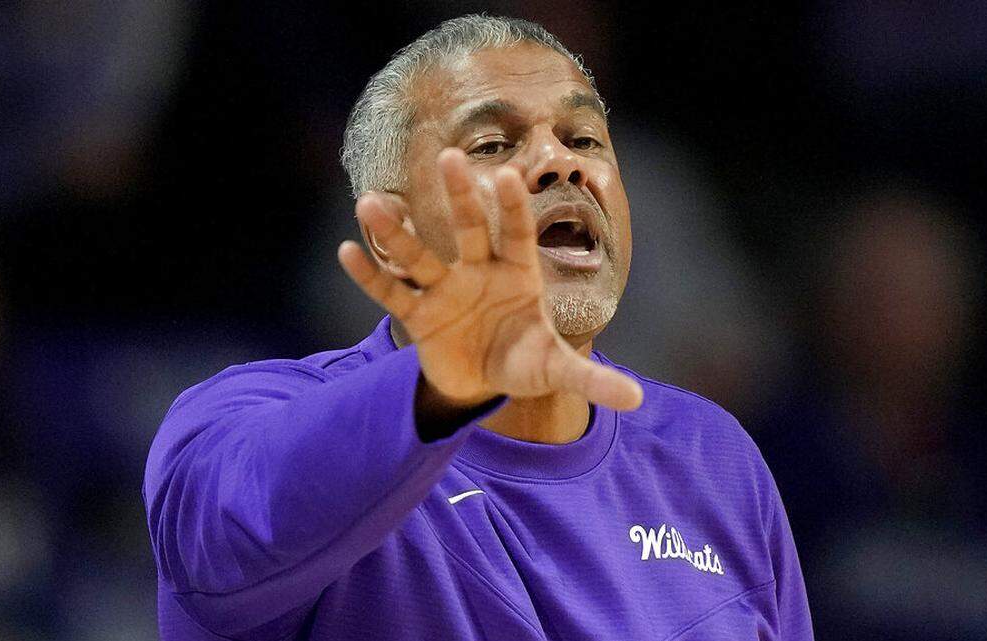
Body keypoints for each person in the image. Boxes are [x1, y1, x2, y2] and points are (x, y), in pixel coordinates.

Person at [143, 15, 812, 640]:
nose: (562, 163)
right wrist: (451, 374)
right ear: (391, 232)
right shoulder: (238, 418)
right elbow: (222, 537)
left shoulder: (714, 458)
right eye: (493, 143)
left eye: (583, 139)